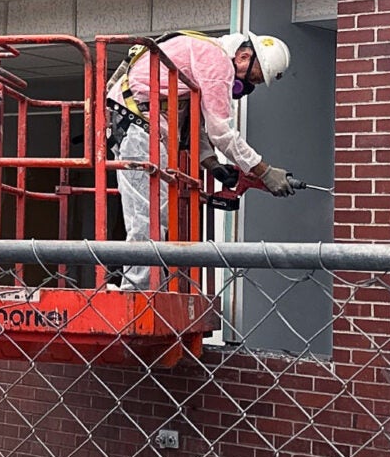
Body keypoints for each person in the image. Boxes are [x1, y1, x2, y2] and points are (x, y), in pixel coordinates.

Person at [107, 33, 301, 276]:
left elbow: (197, 121)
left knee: (152, 214)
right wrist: (265, 171)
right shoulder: (217, 61)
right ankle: (139, 294)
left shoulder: (206, 54)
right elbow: (220, 130)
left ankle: (143, 287)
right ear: (243, 56)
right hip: (137, 126)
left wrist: (213, 165)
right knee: (149, 216)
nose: (246, 86)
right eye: (252, 77)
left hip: (139, 125)